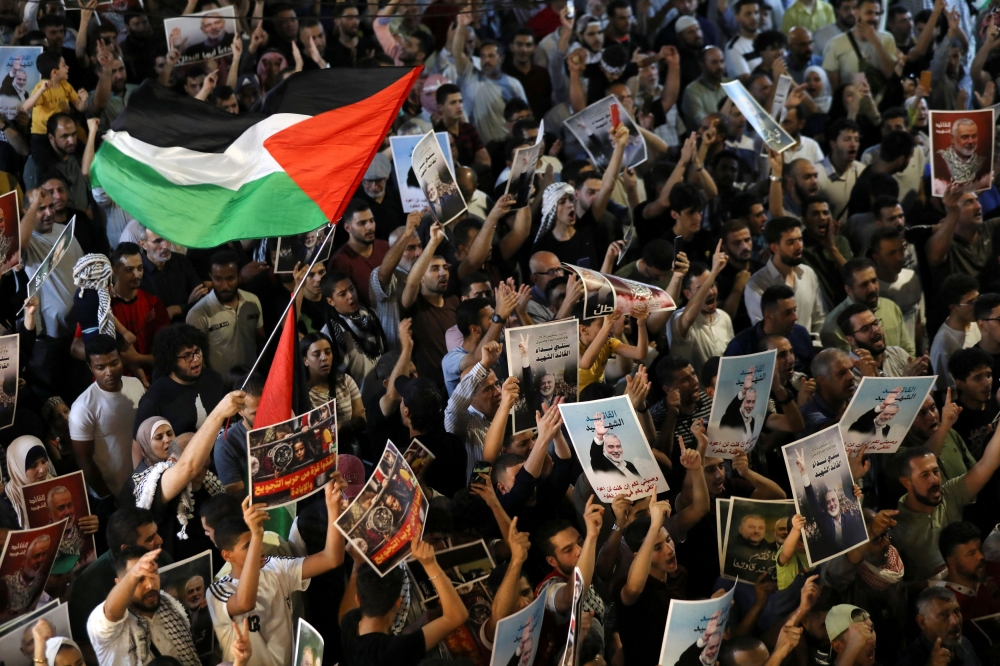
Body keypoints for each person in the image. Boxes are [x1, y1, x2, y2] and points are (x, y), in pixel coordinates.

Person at [209, 481, 347, 666]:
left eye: (258, 538)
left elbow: (332, 558)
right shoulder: (217, 591)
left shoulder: (275, 568)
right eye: (247, 546)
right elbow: (245, 602)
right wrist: (257, 536)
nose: (258, 548)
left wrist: (332, 509)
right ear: (227, 555)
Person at [125, 392, 244, 562]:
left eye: (206, 466)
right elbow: (189, 467)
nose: (202, 472)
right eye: (159, 437)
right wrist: (219, 413)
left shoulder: (210, 481)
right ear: (173, 461)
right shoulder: (151, 482)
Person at [87, 547, 201, 666]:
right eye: (139, 579)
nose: (150, 585)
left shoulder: (169, 603)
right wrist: (134, 574)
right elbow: (111, 613)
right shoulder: (100, 619)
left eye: (153, 574)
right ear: (120, 583)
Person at [133, 324, 226, 436]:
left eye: (197, 351)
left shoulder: (214, 379)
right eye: (187, 356)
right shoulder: (153, 401)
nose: (196, 359)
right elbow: (139, 448)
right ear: (171, 360)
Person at [185, 250, 264, 377]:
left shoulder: (253, 301)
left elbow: (260, 339)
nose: (224, 286)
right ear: (211, 277)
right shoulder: (197, 314)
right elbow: (196, 359)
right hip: (220, 388)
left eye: (230, 278)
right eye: (218, 279)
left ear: (239, 275)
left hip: (252, 381)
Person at [792, 448, 867, 560]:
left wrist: (856, 492)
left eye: (833, 500)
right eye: (828, 502)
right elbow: (812, 500)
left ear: (839, 501)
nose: (832, 504)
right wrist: (804, 473)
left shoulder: (851, 518)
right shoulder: (824, 521)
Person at [898, 587, 982, 666]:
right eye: (944, 615)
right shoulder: (909, 660)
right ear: (922, 622)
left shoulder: (965, 643)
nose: (955, 621)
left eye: (956, 611)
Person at [0, 533, 53, 619]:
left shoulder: (42, 579)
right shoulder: (6, 583)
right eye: (36, 556)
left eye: (44, 555)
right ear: (24, 560)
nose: (41, 560)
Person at [589, 412, 640, 476]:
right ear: (603, 449)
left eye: (618, 446)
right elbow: (596, 457)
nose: (616, 450)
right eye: (611, 446)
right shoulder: (602, 466)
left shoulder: (629, 465)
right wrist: (599, 436)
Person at [719, 367, 758, 440]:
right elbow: (730, 411)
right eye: (748, 401)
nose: (750, 406)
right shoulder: (730, 418)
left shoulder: (752, 421)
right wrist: (744, 390)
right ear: (741, 402)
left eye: (753, 402)